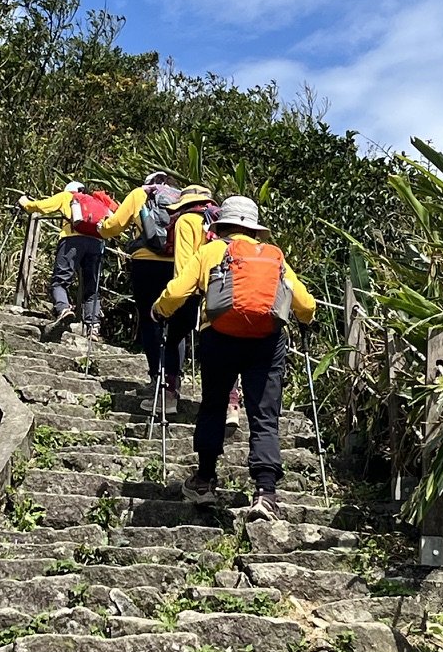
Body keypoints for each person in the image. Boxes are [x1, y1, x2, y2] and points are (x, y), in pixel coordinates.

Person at [152, 195, 315, 521]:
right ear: (254, 229)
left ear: (221, 224)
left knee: (213, 405)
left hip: (219, 337)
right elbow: (306, 305)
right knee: (265, 416)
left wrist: (159, 311)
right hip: (267, 343)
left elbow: (176, 292)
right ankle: (266, 493)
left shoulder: (210, 251)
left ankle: (204, 480)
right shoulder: (274, 257)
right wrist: (308, 322)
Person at [97, 171, 182, 408]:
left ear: (149, 184)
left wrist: (102, 228)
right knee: (175, 323)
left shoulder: (140, 194)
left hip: (146, 262)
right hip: (178, 264)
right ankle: (173, 384)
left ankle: (158, 379)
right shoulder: (183, 200)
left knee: (150, 319)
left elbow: (113, 226)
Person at [139, 184, 218, 415]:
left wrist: (169, 301)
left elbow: (184, 266)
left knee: (173, 339)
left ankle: (169, 395)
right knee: (217, 347)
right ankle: (231, 402)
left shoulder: (186, 221)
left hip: (191, 292)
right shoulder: (220, 225)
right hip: (220, 293)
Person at [19, 181, 110, 341]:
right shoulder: (96, 202)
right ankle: (93, 327)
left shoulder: (67, 196)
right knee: (92, 287)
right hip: (96, 242)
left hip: (72, 241)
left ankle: (63, 308)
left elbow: (41, 206)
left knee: (60, 281)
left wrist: (24, 202)